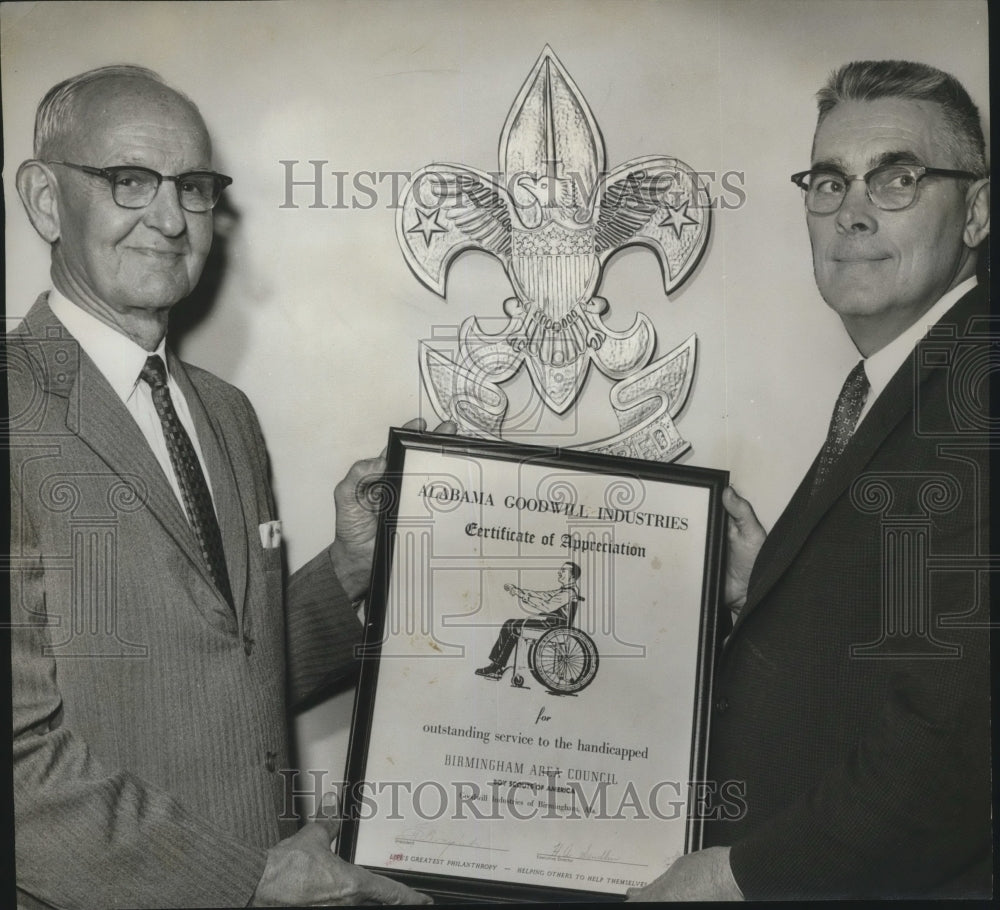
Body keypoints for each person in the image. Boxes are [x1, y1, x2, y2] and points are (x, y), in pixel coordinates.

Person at [7, 65, 437, 908]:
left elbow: (228, 672)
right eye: (129, 180)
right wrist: (246, 879)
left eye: (193, 188)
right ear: (45, 199)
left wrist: (350, 572)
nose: (169, 220)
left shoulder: (225, 414)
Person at [629, 60, 991, 900]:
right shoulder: (913, 378)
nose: (853, 213)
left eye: (897, 178)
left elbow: (959, 747)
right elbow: (925, 638)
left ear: (976, 210)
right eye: (829, 182)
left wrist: (738, 878)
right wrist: (779, 588)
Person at [475, 561, 583, 679]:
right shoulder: (564, 591)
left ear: (572, 576)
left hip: (553, 626)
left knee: (513, 626)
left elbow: (546, 606)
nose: (559, 572)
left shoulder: (568, 593)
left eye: (563, 571)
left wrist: (523, 596)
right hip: (551, 623)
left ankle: (497, 666)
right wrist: (519, 591)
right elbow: (543, 595)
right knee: (510, 624)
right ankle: (497, 665)